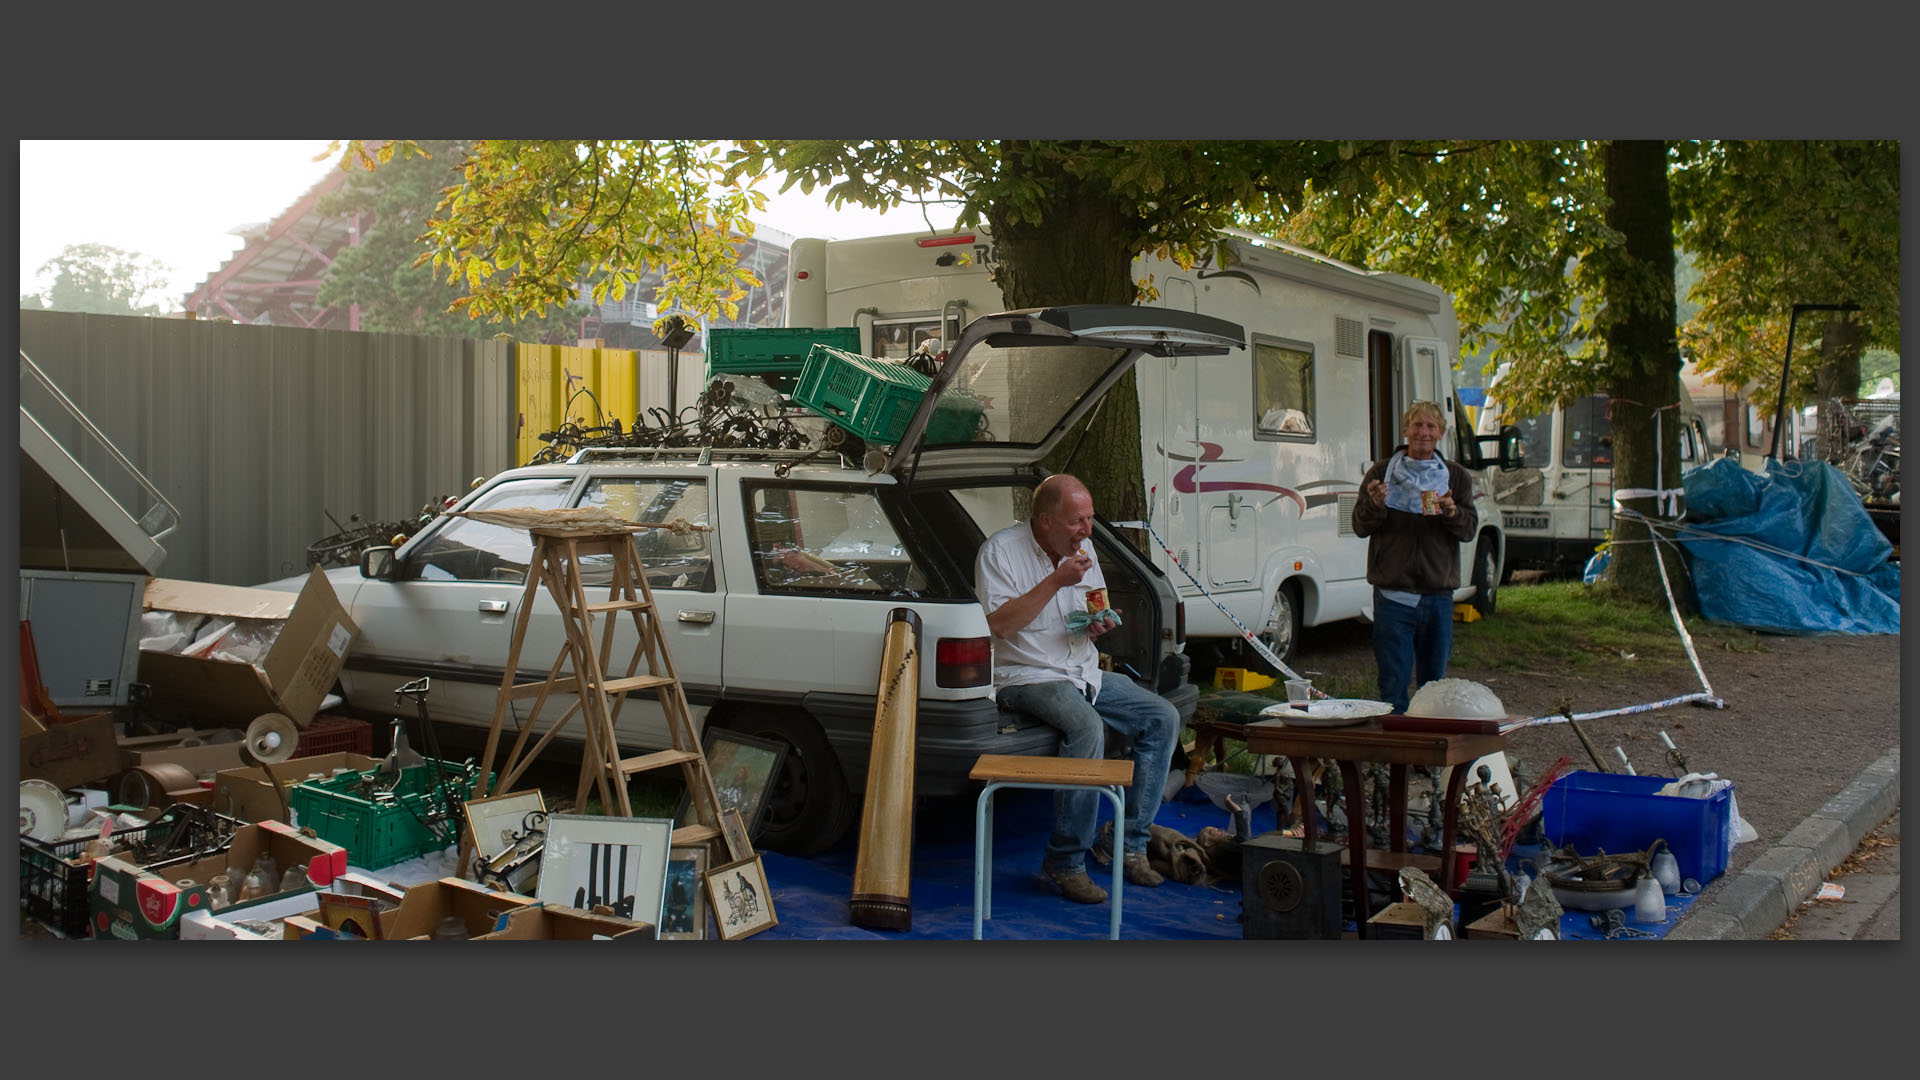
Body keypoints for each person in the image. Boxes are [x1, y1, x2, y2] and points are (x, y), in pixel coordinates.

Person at [974, 474, 1179, 904]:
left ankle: (1129, 845)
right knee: (1088, 729)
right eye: (1076, 521)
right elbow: (1000, 626)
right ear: (1046, 520)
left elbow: (1092, 607)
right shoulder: (1000, 551)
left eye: (1088, 519)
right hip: (1027, 675)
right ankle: (1065, 862)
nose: (1087, 530)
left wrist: (1100, 621)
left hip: (1083, 670)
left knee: (1162, 717)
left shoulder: (1080, 550)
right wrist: (1055, 581)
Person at [1352, 401, 1479, 713]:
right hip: (1393, 596)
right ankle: (1395, 758)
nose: (1424, 432)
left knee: (1434, 689)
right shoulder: (1382, 473)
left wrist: (1452, 511)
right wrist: (1376, 505)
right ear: (1405, 430)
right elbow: (1359, 526)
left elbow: (1468, 530)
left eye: (1431, 426)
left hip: (1437, 596)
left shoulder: (1454, 477)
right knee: (1393, 685)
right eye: (1417, 425)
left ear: (1441, 433)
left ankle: (1427, 761)